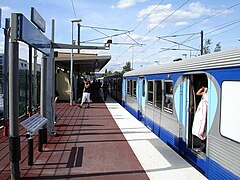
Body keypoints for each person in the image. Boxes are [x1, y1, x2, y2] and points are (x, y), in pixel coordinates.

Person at [192, 81, 208, 152]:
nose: (202, 88)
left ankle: (202, 147)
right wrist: (203, 89)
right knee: (200, 128)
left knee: (203, 129)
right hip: (201, 112)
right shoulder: (205, 92)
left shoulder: (209, 93)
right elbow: (197, 93)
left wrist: (205, 89)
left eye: (202, 86)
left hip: (205, 112)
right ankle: (202, 147)